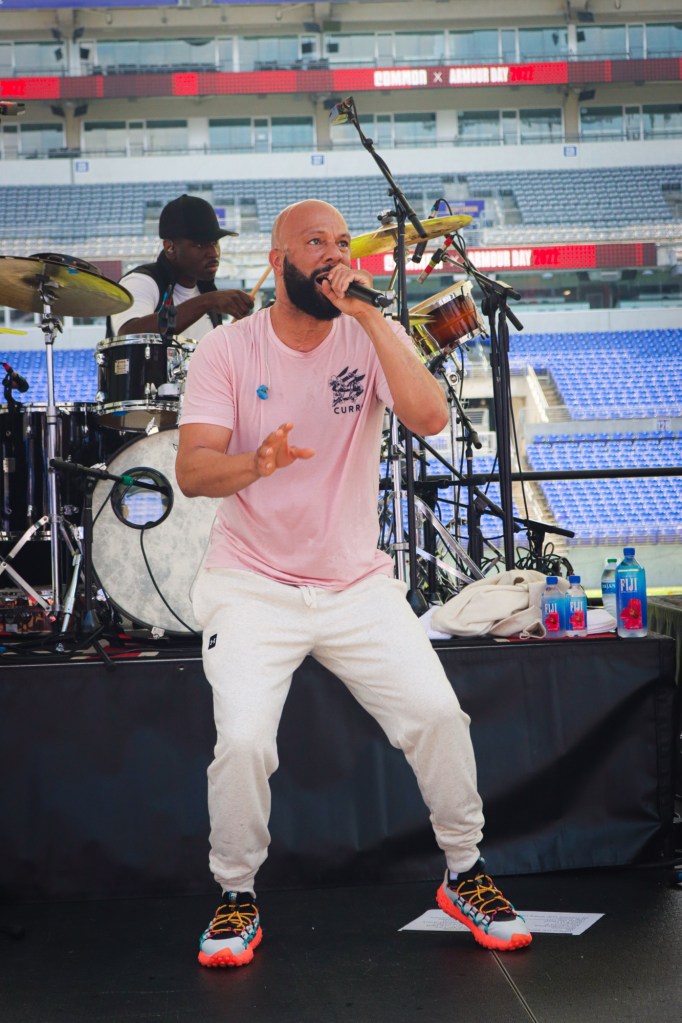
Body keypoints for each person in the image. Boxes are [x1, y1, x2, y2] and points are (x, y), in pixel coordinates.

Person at [175, 199, 532, 967]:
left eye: (342, 242)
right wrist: (255, 464)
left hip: (355, 582)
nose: (335, 255)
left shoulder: (369, 333)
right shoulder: (228, 350)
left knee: (438, 714)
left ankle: (465, 870)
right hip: (251, 582)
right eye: (316, 243)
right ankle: (236, 893)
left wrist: (371, 318)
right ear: (278, 262)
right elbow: (193, 470)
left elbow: (430, 418)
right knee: (243, 741)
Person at [109, 193, 254, 341]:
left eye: (214, 243)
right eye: (200, 244)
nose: (214, 253)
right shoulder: (141, 281)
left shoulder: (206, 289)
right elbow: (129, 335)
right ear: (170, 247)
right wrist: (208, 301)